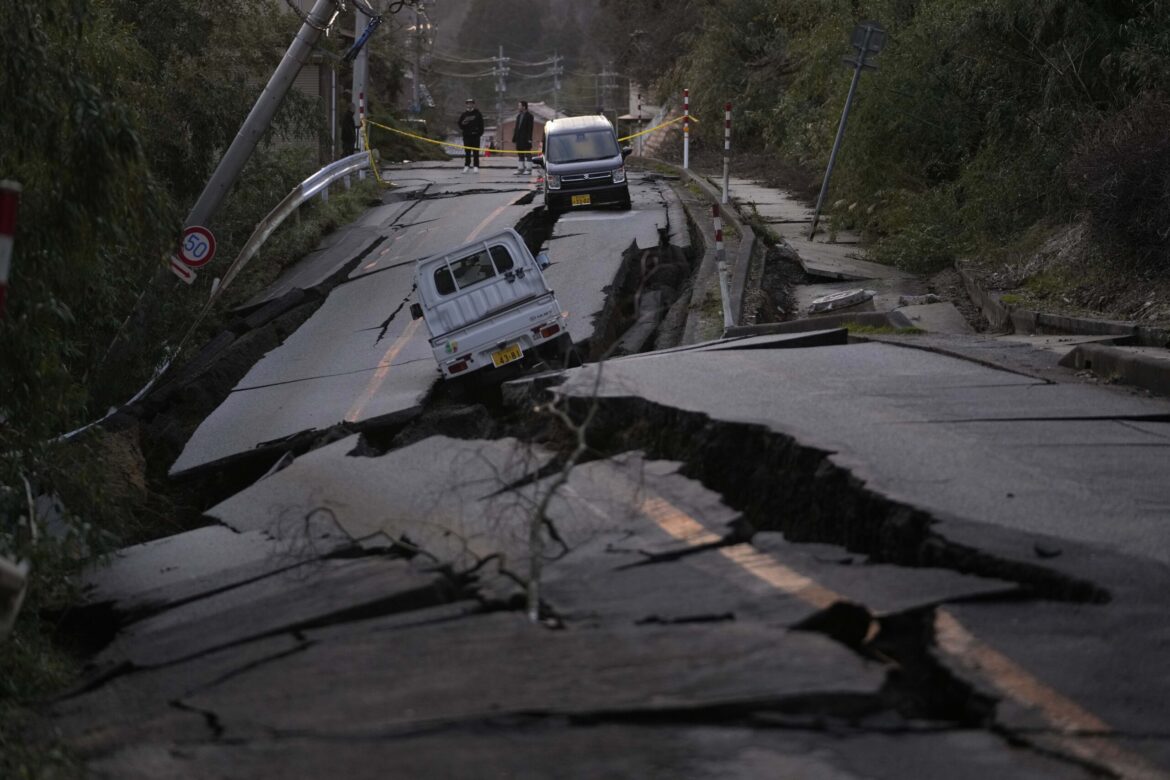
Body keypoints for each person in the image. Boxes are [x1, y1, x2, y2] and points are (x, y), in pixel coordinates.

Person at [458, 98, 484, 172]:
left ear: (473, 104)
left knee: (476, 152)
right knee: (467, 152)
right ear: (466, 104)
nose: (469, 105)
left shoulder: (478, 114)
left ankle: (476, 166)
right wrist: (463, 124)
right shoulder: (464, 114)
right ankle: (467, 165)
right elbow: (460, 124)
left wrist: (479, 134)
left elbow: (481, 125)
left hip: (475, 136)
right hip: (467, 136)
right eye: (468, 103)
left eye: (471, 103)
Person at [512, 100, 534, 175]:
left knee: (528, 153)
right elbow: (516, 128)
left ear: (524, 107)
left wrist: (529, 139)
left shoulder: (529, 116)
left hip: (526, 138)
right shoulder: (518, 116)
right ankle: (520, 169)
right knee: (520, 154)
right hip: (519, 138)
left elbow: (530, 129)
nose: (518, 107)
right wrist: (514, 138)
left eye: (519, 106)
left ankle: (528, 169)